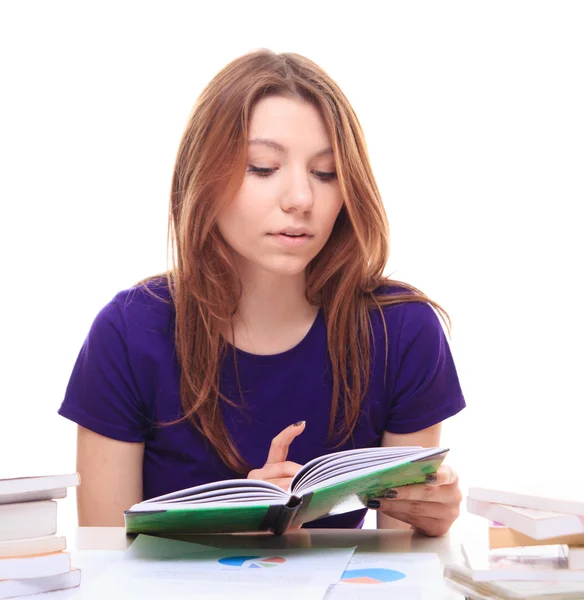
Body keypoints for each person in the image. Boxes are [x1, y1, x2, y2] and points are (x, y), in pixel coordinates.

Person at [58, 48, 465, 536]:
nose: (300, 199)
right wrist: (243, 534)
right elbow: (105, 566)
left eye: (326, 173)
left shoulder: (401, 331)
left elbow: (397, 568)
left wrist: (429, 520)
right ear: (203, 176)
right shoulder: (128, 333)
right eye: (263, 167)